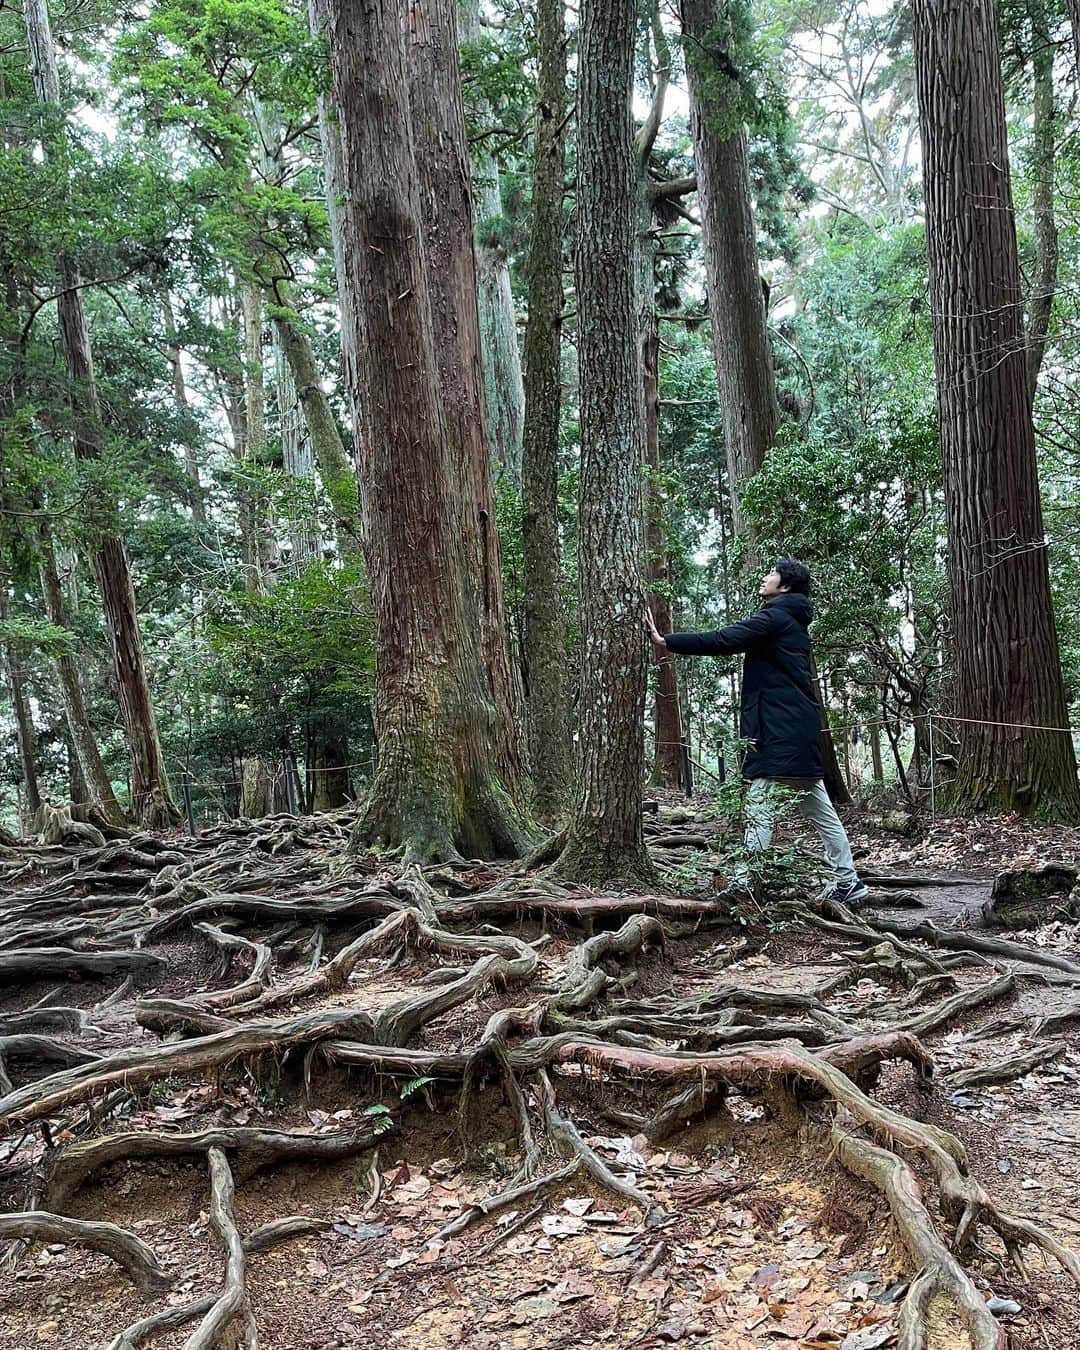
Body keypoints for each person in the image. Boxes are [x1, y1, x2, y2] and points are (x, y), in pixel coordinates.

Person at [646, 558, 867, 905]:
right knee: (820, 809)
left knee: (760, 801)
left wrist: (666, 640)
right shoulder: (792, 620)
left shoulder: (776, 618)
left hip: (780, 730)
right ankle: (847, 880)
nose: (765, 578)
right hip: (798, 729)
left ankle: (746, 882)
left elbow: (724, 639)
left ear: (786, 585)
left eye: (772, 574)